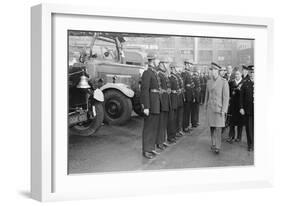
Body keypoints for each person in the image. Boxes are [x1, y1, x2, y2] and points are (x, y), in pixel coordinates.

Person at [205, 62, 230, 154]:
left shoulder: (224, 82)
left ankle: (218, 146)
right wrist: (205, 106)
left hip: (219, 109)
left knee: (219, 129)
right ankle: (213, 143)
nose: (213, 72)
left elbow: (226, 97)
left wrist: (224, 110)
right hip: (211, 108)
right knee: (212, 127)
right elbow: (206, 95)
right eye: (211, 70)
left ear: (218, 71)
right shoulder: (209, 81)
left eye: (215, 70)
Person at [140, 53, 161, 159]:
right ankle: (146, 150)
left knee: (153, 127)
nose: (159, 62)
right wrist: (146, 106)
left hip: (156, 103)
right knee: (148, 128)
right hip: (151, 104)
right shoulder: (147, 73)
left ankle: (151, 148)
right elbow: (144, 91)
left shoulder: (154, 72)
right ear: (152, 61)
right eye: (157, 60)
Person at [155, 57, 171, 150]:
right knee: (160, 123)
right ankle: (159, 142)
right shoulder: (158, 73)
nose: (167, 65)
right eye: (166, 63)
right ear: (162, 63)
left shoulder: (164, 73)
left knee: (164, 122)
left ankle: (162, 140)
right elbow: (158, 88)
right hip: (161, 101)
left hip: (165, 100)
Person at [239, 65, 254, 151]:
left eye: (254, 72)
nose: (252, 74)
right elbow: (241, 97)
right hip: (248, 110)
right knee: (249, 128)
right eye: (251, 72)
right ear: (248, 72)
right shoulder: (245, 83)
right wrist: (241, 107)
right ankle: (250, 144)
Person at [227, 70, 244, 143]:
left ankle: (239, 137)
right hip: (233, 105)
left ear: (241, 75)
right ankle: (231, 136)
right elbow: (228, 93)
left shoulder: (244, 83)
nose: (236, 75)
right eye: (236, 74)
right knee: (232, 122)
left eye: (238, 74)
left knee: (240, 122)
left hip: (240, 105)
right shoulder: (231, 83)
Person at [167, 62, 179, 144]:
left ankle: (173, 134)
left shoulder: (175, 77)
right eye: (174, 68)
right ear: (172, 69)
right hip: (171, 99)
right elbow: (169, 90)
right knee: (171, 119)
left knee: (174, 119)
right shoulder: (170, 78)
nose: (175, 69)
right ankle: (170, 136)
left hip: (175, 99)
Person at [182, 60, 195, 132]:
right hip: (186, 95)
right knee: (186, 113)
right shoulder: (184, 73)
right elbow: (183, 85)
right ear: (186, 64)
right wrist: (184, 96)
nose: (191, 66)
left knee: (188, 112)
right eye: (190, 64)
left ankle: (187, 125)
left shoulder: (189, 73)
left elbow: (191, 85)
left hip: (190, 95)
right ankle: (184, 127)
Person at [175, 70, 185, 137]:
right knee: (176, 117)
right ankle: (176, 131)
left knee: (180, 116)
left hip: (181, 98)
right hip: (176, 99)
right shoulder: (173, 77)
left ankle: (179, 130)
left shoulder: (179, 77)